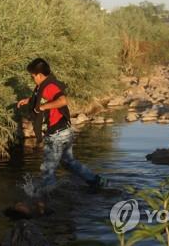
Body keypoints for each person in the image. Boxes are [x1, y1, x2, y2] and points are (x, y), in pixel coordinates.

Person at [17, 58, 108, 192]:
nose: (32, 79)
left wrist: (43, 107)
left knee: (47, 169)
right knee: (69, 163)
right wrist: (29, 100)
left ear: (39, 75)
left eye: (32, 76)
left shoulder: (49, 86)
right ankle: (96, 181)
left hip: (57, 134)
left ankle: (48, 197)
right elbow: (41, 97)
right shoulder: (45, 85)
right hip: (64, 131)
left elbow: (62, 100)